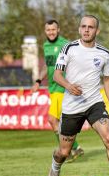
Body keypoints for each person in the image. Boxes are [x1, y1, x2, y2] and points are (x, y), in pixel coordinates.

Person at [47, 15, 109, 176]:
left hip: (94, 104)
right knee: (64, 152)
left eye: (90, 27)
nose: (86, 30)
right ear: (79, 29)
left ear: (96, 30)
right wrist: (69, 86)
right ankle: (54, 168)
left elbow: (107, 80)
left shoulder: (104, 53)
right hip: (72, 107)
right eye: (83, 26)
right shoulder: (68, 48)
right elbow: (56, 76)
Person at [32, 19, 84, 163]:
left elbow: (77, 63)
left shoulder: (66, 45)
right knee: (59, 122)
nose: (51, 32)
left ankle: (66, 150)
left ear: (58, 29)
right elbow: (46, 67)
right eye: (48, 30)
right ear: (45, 31)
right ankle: (75, 148)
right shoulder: (46, 45)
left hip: (63, 88)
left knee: (52, 120)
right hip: (53, 89)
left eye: (53, 29)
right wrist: (38, 81)